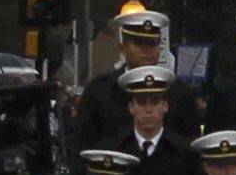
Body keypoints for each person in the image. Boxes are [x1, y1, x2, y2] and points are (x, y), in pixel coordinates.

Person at [72, 8, 199, 151]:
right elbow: (83, 147)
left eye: (152, 43)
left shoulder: (179, 93)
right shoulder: (99, 91)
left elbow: (190, 149)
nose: (147, 50)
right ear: (123, 48)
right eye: (139, 43)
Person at [115, 64, 196, 175]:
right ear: (131, 107)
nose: (148, 110)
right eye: (142, 103)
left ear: (165, 106)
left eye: (155, 102)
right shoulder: (116, 150)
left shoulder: (185, 152)